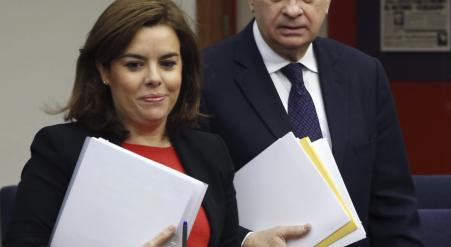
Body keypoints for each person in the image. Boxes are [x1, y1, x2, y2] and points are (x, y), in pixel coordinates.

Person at [4, 0, 240, 246]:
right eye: (134, 65)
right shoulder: (60, 149)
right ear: (105, 72)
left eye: (168, 63)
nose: (154, 78)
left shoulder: (212, 151)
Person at [200, 0, 424, 246]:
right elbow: (200, 206)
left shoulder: (363, 74)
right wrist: (246, 240)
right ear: (252, 2)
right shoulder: (205, 75)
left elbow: (393, 204)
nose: (293, 10)